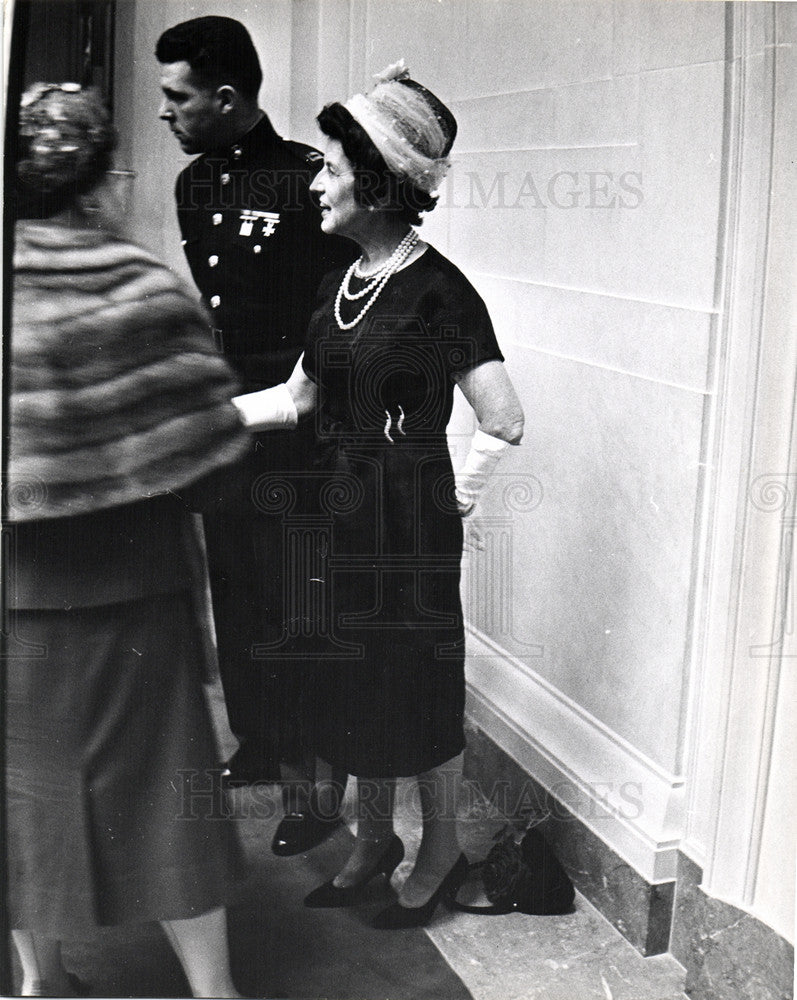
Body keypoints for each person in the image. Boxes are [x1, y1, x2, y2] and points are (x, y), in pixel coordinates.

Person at [232, 61, 525, 928]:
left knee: (414, 693)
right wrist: (200, 412)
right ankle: (373, 842)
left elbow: (503, 420)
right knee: (350, 688)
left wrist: (453, 499)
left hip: (404, 528)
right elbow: (297, 398)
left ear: (378, 180)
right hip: (335, 516)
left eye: (329, 166)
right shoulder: (339, 283)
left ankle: (436, 851)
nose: (316, 182)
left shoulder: (440, 289)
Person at [5, 83, 249, 997]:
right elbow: (215, 461)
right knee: (166, 806)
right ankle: (213, 993)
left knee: (23, 804)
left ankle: (43, 983)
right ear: (104, 176)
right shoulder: (145, 287)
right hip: (135, 600)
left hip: (15, 602)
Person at [156, 16, 353, 855]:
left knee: (296, 606)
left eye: (178, 96)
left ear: (225, 96)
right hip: (228, 425)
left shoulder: (309, 179)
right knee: (236, 592)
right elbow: (216, 311)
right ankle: (260, 744)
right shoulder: (193, 184)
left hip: (298, 428)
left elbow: (331, 320)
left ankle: (313, 792)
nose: (165, 112)